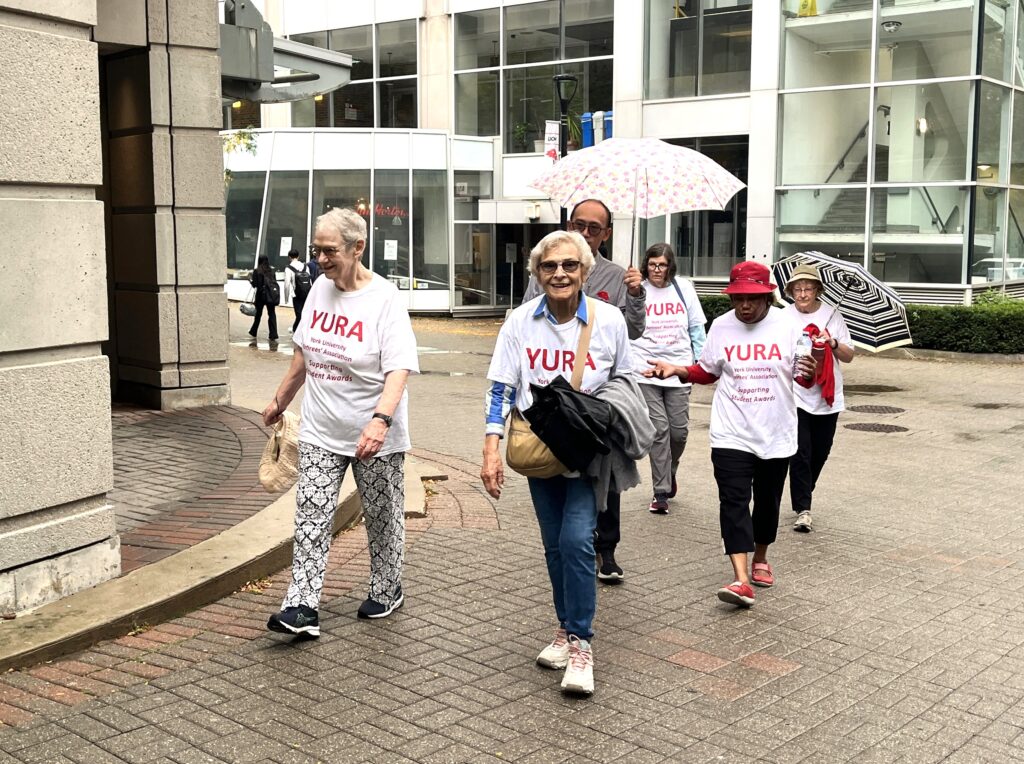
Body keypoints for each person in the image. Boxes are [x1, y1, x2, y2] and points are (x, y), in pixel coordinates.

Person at [482, 230, 633, 696]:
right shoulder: (521, 322)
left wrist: (599, 408)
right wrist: (491, 447)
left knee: (577, 543)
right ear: (537, 273)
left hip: (588, 453)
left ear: (585, 271)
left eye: (569, 265)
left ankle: (582, 643)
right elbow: (501, 386)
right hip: (538, 448)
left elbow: (626, 380)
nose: (560, 274)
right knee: (553, 546)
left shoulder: (607, 321)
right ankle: (566, 630)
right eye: (549, 267)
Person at [264, 207, 419, 637]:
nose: (321, 259)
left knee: (382, 516)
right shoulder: (318, 290)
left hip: (373, 434)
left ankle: (388, 587)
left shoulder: (385, 299)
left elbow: (399, 369)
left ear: (358, 247)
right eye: (317, 250)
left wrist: (380, 421)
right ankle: (302, 606)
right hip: (320, 429)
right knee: (311, 515)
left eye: (329, 251)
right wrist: (280, 400)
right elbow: (302, 355)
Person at [644, 261, 815, 609]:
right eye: (738, 299)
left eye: (752, 299)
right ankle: (740, 579)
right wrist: (679, 370)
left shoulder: (788, 326)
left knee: (767, 503)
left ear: (768, 296)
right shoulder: (721, 327)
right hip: (730, 431)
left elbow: (803, 378)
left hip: (776, 431)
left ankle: (761, 558)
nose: (745, 306)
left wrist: (810, 372)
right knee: (733, 501)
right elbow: (708, 371)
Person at [523, 199, 645, 583]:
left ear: (607, 233)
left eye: (595, 227)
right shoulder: (547, 267)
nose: (586, 232)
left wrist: (637, 296)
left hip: (596, 398)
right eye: (580, 224)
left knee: (604, 475)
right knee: (560, 477)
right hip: (556, 398)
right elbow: (529, 316)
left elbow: (632, 331)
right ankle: (573, 549)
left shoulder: (617, 275)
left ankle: (605, 550)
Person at [631, 243, 706, 514]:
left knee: (679, 432)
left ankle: (670, 471)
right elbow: (627, 328)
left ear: (670, 265)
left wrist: (700, 364)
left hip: (678, 368)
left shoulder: (683, 288)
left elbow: (697, 329)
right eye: (652, 265)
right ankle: (660, 491)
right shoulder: (638, 290)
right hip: (645, 369)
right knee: (659, 430)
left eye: (661, 265)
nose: (656, 270)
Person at [782, 264, 855, 532]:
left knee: (820, 452)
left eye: (808, 289)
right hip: (795, 394)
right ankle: (803, 508)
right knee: (800, 452)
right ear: (791, 291)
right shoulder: (783, 317)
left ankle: (804, 493)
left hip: (826, 397)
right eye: (797, 289)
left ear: (817, 290)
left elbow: (849, 355)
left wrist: (832, 342)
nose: (802, 294)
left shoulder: (832, 316)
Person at [248, 255, 279, 344]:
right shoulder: (272, 270)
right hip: (270, 295)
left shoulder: (257, 271)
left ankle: (254, 331)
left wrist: (250, 280)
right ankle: (273, 334)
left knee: (258, 314)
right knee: (272, 314)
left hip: (260, 295)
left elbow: (255, 285)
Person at [283, 248, 311, 333]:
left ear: (289, 257)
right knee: (305, 313)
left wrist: (286, 298)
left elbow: (287, 284)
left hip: (296, 294)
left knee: (299, 314)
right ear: (298, 256)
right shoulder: (305, 266)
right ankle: (302, 330)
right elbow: (310, 281)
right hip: (306, 292)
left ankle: (296, 330)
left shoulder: (288, 268)